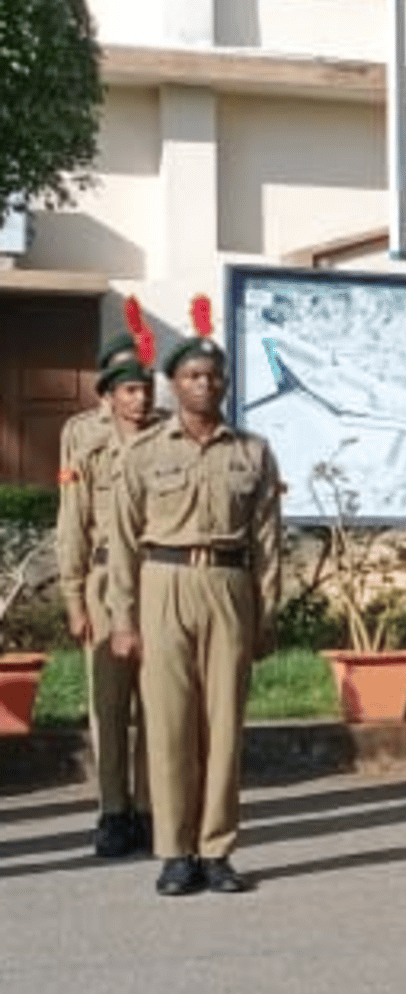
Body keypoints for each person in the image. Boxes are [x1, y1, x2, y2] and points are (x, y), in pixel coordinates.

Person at [109, 305, 283, 898]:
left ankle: (217, 849)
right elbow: (122, 540)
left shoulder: (253, 452)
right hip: (164, 579)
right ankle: (175, 850)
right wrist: (123, 618)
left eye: (213, 376)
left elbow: (268, 541)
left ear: (226, 384)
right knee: (168, 723)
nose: (203, 385)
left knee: (225, 725)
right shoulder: (146, 452)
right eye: (192, 376)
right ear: (174, 384)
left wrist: (266, 611)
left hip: (229, 585)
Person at [59, 325, 157, 857]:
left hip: (155, 577)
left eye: (145, 385)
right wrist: (74, 595)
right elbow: (71, 519)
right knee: (109, 701)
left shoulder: (166, 433)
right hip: (102, 577)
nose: (140, 396)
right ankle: (113, 809)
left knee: (156, 700)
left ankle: (148, 808)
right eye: (128, 385)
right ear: (107, 389)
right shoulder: (81, 435)